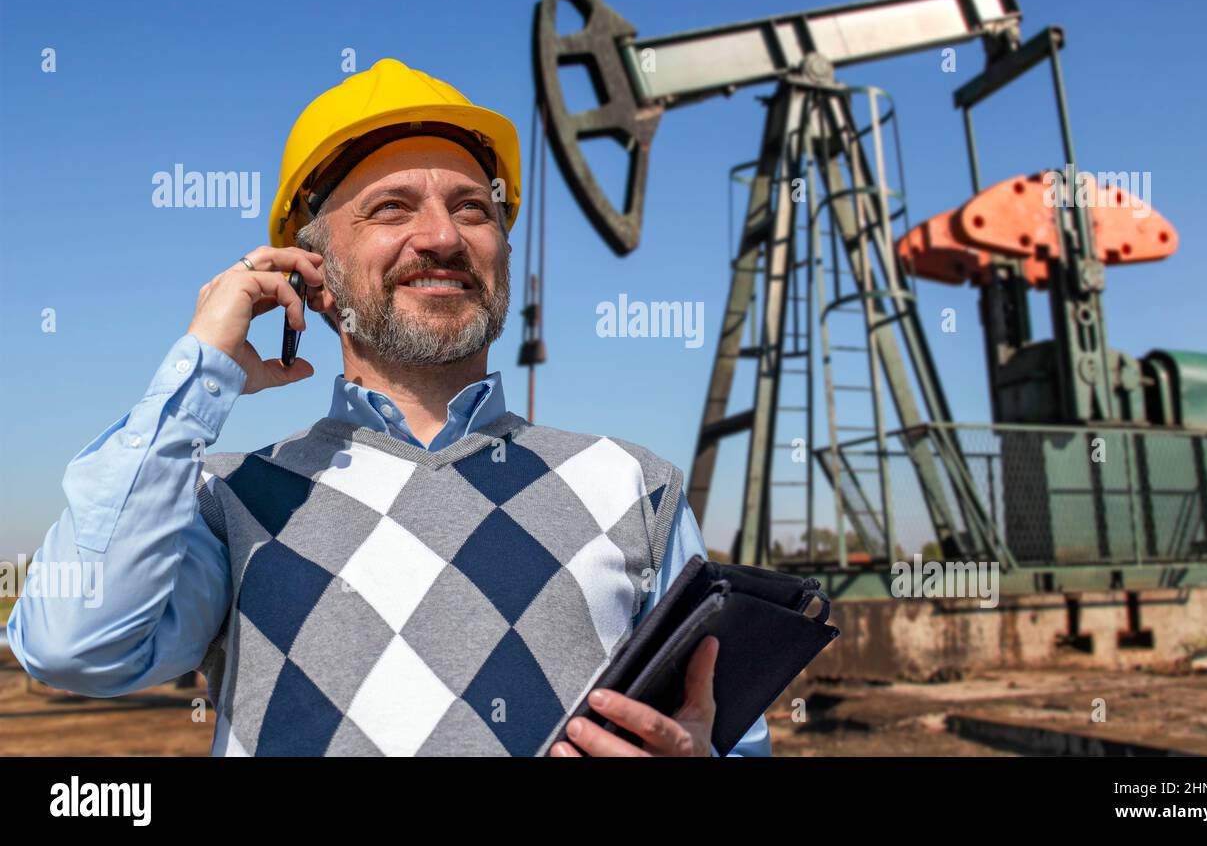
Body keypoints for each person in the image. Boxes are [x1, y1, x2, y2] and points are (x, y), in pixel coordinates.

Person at [6, 58, 771, 758]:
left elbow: (730, 740)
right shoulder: (227, 502)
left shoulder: (637, 489)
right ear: (315, 275)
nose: (441, 236)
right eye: (391, 208)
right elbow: (73, 644)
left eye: (473, 209)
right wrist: (199, 375)